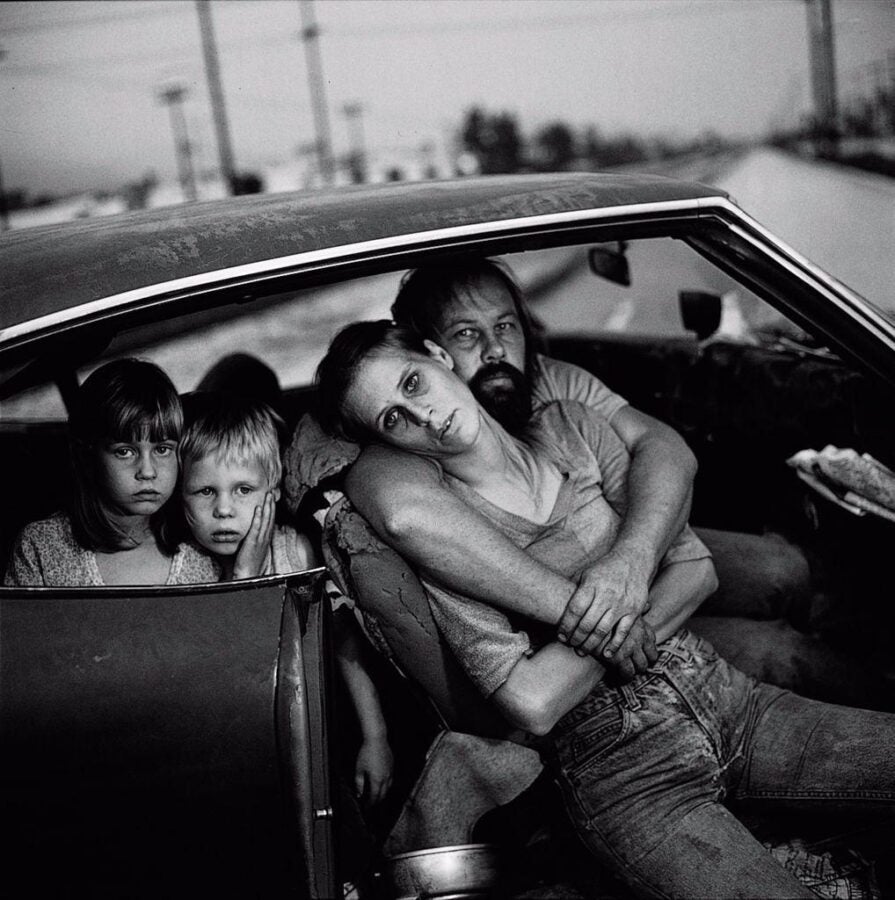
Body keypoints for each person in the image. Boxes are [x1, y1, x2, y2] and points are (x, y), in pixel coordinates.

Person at [315, 320, 895, 899]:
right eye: (394, 419)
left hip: (727, 693)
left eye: (413, 383)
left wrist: (622, 582)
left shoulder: (572, 426)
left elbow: (698, 571)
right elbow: (531, 701)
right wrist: (623, 627)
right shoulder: (446, 540)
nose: (422, 416)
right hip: (621, 768)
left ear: (440, 355)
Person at [344, 258, 815, 665]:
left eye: (505, 327)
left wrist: (634, 559)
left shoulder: (551, 382)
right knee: (776, 651)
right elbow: (395, 505)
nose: (495, 349)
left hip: (638, 554)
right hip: (577, 633)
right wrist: (604, 616)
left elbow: (664, 447)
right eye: (467, 334)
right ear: (435, 351)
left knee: (784, 570)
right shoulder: (415, 428)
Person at [179, 391, 394, 807]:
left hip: (312, 742)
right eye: (205, 491)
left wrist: (376, 736)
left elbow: (344, 643)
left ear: (273, 493)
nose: (224, 509)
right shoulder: (182, 567)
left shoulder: (297, 553)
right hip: (225, 755)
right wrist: (243, 578)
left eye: (243, 489)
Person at [4, 358, 219, 587]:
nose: (147, 471)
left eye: (162, 449)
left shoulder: (201, 545)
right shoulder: (43, 546)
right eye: (125, 452)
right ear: (86, 456)